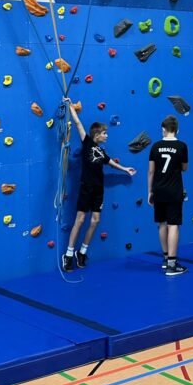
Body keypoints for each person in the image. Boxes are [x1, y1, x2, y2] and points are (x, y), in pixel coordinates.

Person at [62, 101, 136, 271]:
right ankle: (68, 254)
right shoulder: (87, 143)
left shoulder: (101, 151)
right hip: (86, 188)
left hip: (98, 190)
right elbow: (78, 124)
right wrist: (71, 107)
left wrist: (125, 169)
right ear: (96, 135)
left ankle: (82, 252)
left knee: (95, 220)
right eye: (104, 133)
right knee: (80, 220)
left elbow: (110, 163)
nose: (107, 136)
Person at [148, 115, 188, 277]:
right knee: (173, 225)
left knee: (162, 224)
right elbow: (184, 168)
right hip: (174, 190)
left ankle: (165, 259)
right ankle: (172, 264)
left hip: (159, 189)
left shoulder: (155, 146)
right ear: (177, 129)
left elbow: (151, 171)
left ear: (164, 129)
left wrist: (150, 191)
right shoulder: (181, 146)